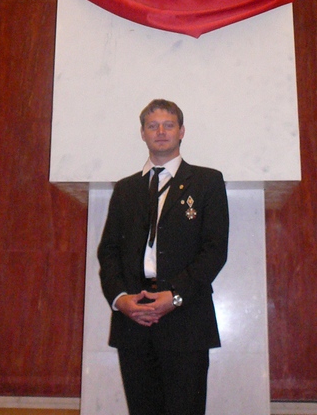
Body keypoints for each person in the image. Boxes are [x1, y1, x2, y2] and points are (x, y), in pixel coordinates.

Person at [97, 99, 229, 415]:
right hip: (133, 320)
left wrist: (176, 296)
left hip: (186, 318)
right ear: (142, 133)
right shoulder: (125, 189)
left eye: (168, 125)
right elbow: (109, 252)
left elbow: (214, 251)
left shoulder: (207, 182)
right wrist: (120, 300)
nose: (160, 132)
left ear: (181, 131)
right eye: (152, 126)